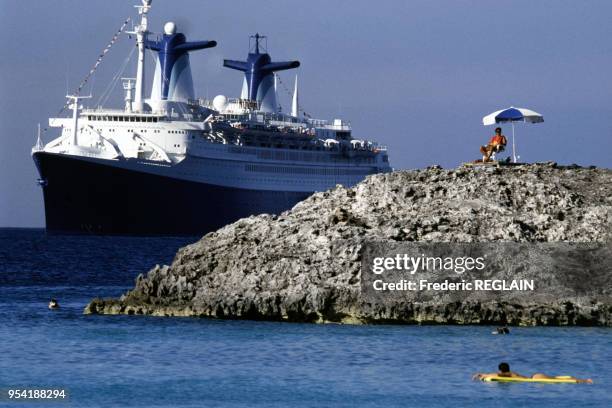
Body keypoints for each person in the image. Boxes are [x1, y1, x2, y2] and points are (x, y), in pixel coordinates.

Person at [473, 362, 593, 383]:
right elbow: (496, 374)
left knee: (560, 380)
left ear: (500, 370)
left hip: (535, 378)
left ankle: (585, 380)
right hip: (534, 377)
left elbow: (495, 375)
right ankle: (583, 380)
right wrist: (481, 375)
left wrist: (481, 375)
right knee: (556, 378)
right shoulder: (511, 373)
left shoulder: (507, 374)